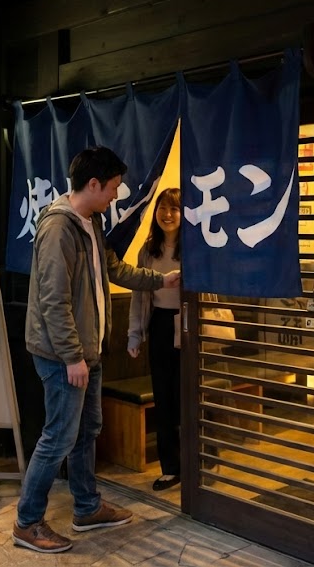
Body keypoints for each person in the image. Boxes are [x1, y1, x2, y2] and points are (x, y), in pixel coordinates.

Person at [13, 147, 181, 554]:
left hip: (89, 348)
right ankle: (27, 521)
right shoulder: (58, 228)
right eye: (113, 187)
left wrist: (161, 281)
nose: (115, 194)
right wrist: (72, 356)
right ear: (93, 184)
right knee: (58, 436)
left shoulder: (92, 221)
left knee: (87, 431)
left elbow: (114, 268)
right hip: (62, 355)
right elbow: (53, 300)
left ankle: (86, 507)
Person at [127, 188, 183, 492]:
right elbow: (139, 296)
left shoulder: (196, 247)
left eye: (174, 209)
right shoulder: (147, 250)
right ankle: (170, 467)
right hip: (160, 323)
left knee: (185, 396)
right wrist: (134, 334)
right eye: (163, 208)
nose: (168, 214)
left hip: (187, 324)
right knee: (163, 397)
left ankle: (194, 460)